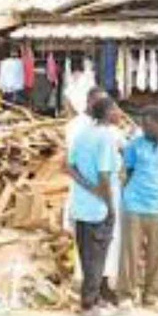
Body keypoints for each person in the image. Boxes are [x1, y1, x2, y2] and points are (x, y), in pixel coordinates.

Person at [67, 97, 122, 316]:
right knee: (97, 258)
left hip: (81, 206)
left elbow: (70, 167)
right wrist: (109, 204)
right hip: (99, 209)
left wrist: (88, 187)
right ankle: (88, 305)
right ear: (107, 113)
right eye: (116, 109)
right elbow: (104, 175)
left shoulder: (82, 134)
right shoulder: (106, 137)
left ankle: (95, 298)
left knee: (86, 256)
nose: (119, 113)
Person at [117, 105, 158, 312]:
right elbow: (127, 173)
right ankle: (126, 295)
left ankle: (152, 296)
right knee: (130, 253)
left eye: (148, 125)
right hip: (134, 205)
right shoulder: (134, 146)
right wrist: (125, 197)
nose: (144, 128)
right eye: (142, 124)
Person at [63, 87, 107, 285]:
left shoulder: (100, 126)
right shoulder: (76, 126)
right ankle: (83, 283)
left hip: (99, 191)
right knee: (84, 239)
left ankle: (95, 283)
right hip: (85, 189)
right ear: (90, 102)